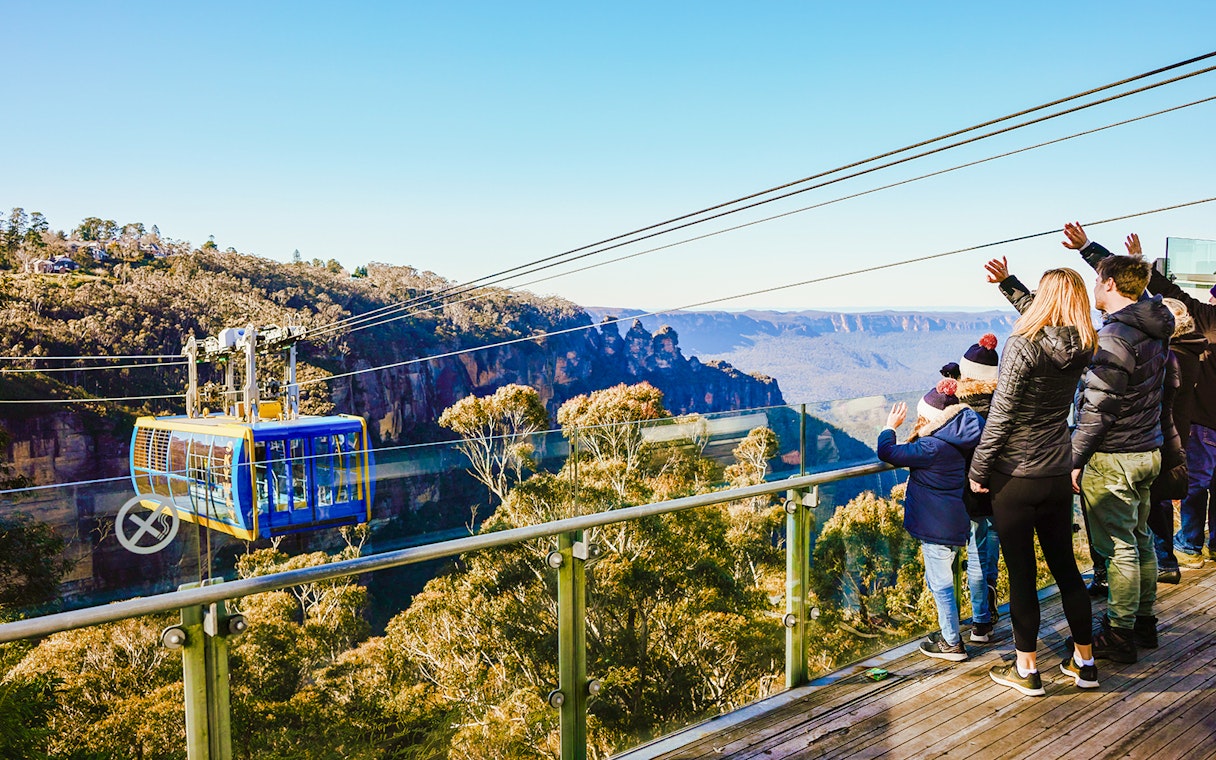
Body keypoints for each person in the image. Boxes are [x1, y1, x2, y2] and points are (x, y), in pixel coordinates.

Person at [970, 263, 1096, 696]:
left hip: (1016, 478)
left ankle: (1027, 671)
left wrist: (978, 472)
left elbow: (1001, 416)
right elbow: (1051, 324)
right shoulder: (1083, 343)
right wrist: (1009, 284)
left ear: (1045, 301)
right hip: (1057, 473)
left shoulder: (1022, 344)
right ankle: (1085, 662)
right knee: (1066, 569)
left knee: (1022, 574)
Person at [1061, 223, 1174, 663]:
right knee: (1141, 538)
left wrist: (1075, 458)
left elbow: (1098, 409)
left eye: (1096, 279)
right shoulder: (1153, 325)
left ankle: (1119, 632)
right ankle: (1144, 623)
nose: (1093, 287)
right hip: (1148, 449)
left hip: (1115, 456)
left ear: (1108, 284)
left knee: (1119, 547)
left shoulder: (1114, 336)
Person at [1072, 228, 1216, 571]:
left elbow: (1153, 293)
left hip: (1186, 429)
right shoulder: (1192, 343)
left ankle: (1186, 547)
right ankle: (1180, 555)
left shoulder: (1189, 338)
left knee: (1189, 487)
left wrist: (1099, 253)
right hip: (1171, 436)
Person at [877, 379, 984, 662]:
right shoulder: (961, 439)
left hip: (937, 525)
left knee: (941, 583)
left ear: (933, 418)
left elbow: (887, 452)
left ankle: (951, 642)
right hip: (955, 519)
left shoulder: (931, 446)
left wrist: (890, 427)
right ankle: (953, 634)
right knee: (944, 578)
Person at [952, 336, 1003, 642]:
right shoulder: (1002, 402)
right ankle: (990, 597)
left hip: (970, 484)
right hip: (1000, 482)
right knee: (992, 538)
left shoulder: (959, 407)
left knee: (975, 548)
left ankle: (981, 620)